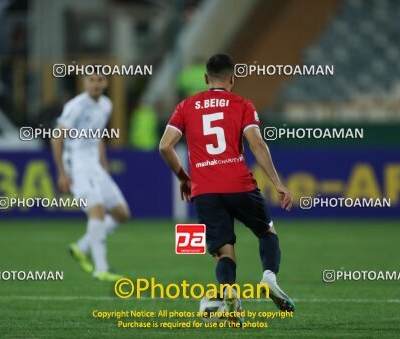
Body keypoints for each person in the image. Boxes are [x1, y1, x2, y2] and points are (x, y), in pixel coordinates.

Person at [159, 54, 295, 323]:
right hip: (239, 184)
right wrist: (278, 183)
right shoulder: (243, 104)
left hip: (205, 190)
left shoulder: (186, 106)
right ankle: (269, 277)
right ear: (233, 79)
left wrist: (183, 177)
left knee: (223, 250)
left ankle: (229, 291)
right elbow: (257, 144)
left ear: (206, 78)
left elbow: (165, 146)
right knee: (266, 230)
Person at [51, 74, 130, 281]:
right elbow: (56, 137)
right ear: (84, 83)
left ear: (106, 83)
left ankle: (81, 247)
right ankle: (101, 269)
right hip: (76, 166)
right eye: (91, 80)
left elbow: (98, 134)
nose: (96, 84)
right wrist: (62, 173)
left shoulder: (106, 104)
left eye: (100, 80)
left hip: (94, 165)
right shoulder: (76, 106)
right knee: (96, 210)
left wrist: (103, 163)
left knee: (121, 213)